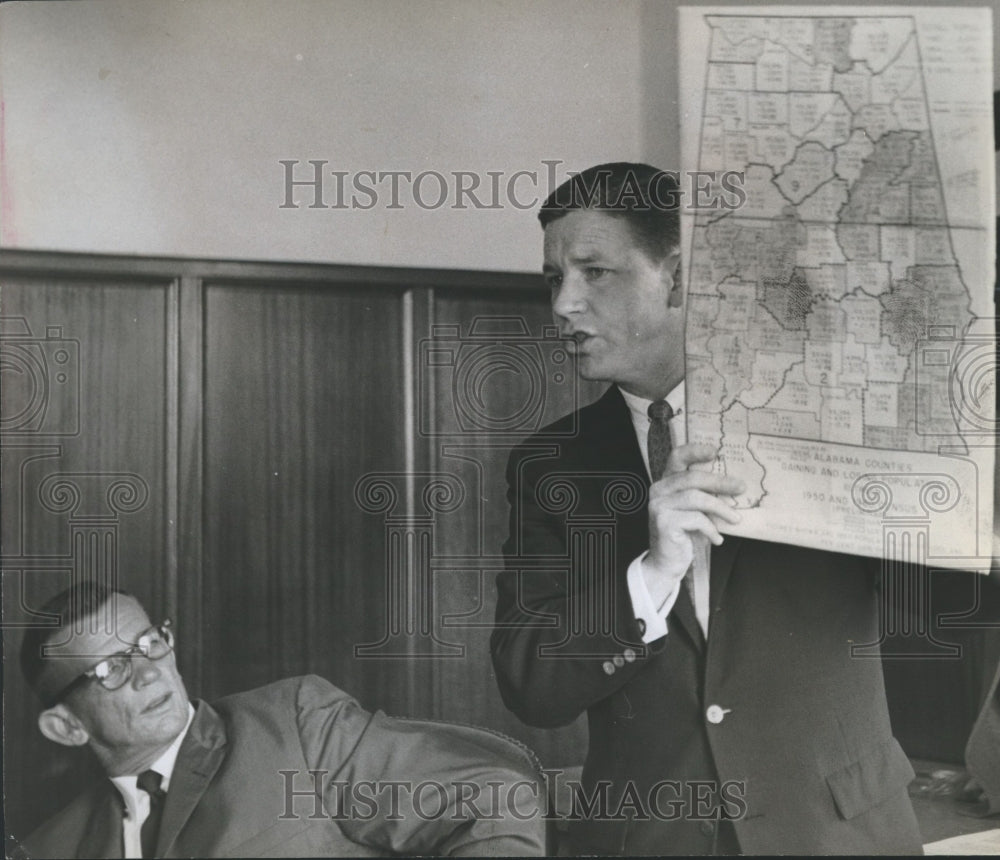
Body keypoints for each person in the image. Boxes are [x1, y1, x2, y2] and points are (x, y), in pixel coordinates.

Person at [490, 162, 924, 855]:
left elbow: (944, 594)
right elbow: (532, 684)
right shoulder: (551, 466)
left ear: (682, 278)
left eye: (594, 272)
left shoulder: (838, 423)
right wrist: (651, 575)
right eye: (553, 279)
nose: (564, 304)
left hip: (836, 832)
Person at [18, 581, 546, 858]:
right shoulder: (47, 852)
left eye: (149, 642)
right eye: (112, 668)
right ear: (66, 727)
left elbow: (495, 797)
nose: (149, 673)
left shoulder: (294, 728)